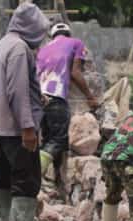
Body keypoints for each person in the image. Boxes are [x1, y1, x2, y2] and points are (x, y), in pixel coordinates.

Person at [0, 2, 50, 221]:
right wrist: (28, 127)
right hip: (18, 126)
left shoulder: (1, 45)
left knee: (1, 173)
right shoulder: (20, 49)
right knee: (27, 178)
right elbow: (18, 91)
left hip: (1, 124)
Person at [36, 22, 99, 188]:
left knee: (48, 139)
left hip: (39, 99)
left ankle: (54, 181)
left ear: (52, 35)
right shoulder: (76, 43)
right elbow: (75, 72)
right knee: (59, 139)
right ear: (68, 33)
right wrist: (90, 97)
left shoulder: (43, 50)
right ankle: (35, 174)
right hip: (56, 95)